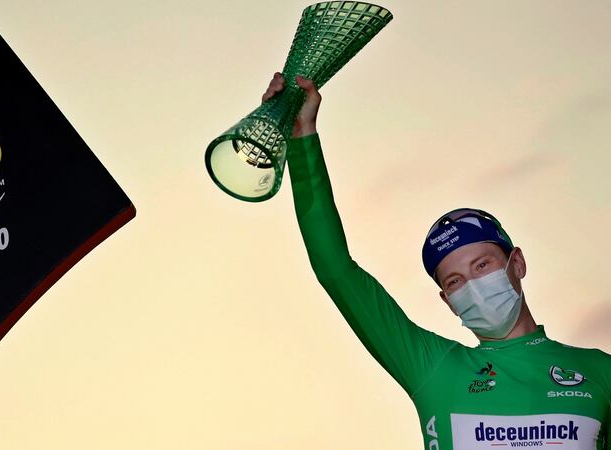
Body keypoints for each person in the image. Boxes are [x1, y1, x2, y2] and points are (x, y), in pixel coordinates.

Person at [262, 72, 611, 449]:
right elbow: (335, 269)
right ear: (447, 300)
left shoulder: (600, 372)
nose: (474, 286)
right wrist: (301, 139)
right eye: (455, 280)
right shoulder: (432, 367)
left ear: (518, 264)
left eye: (482, 265)